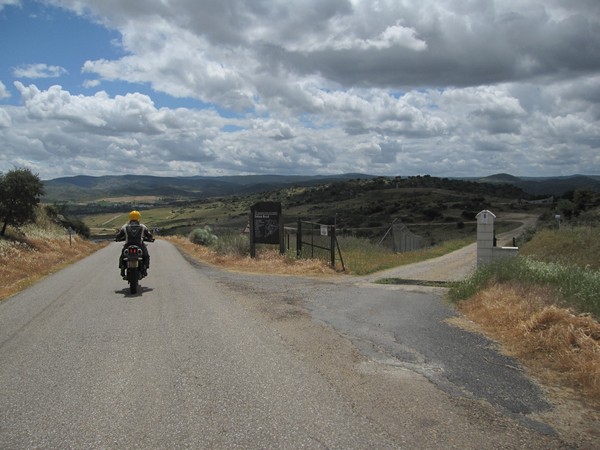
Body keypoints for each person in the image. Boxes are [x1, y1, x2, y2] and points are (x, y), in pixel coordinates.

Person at [115, 210, 154, 278]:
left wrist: (117, 239)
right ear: (139, 217)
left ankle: (122, 268)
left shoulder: (125, 226)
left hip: (128, 245)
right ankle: (145, 268)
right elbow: (149, 235)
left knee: (122, 256)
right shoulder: (142, 226)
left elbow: (119, 236)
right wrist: (150, 239)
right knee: (146, 256)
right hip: (140, 245)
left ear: (130, 217)